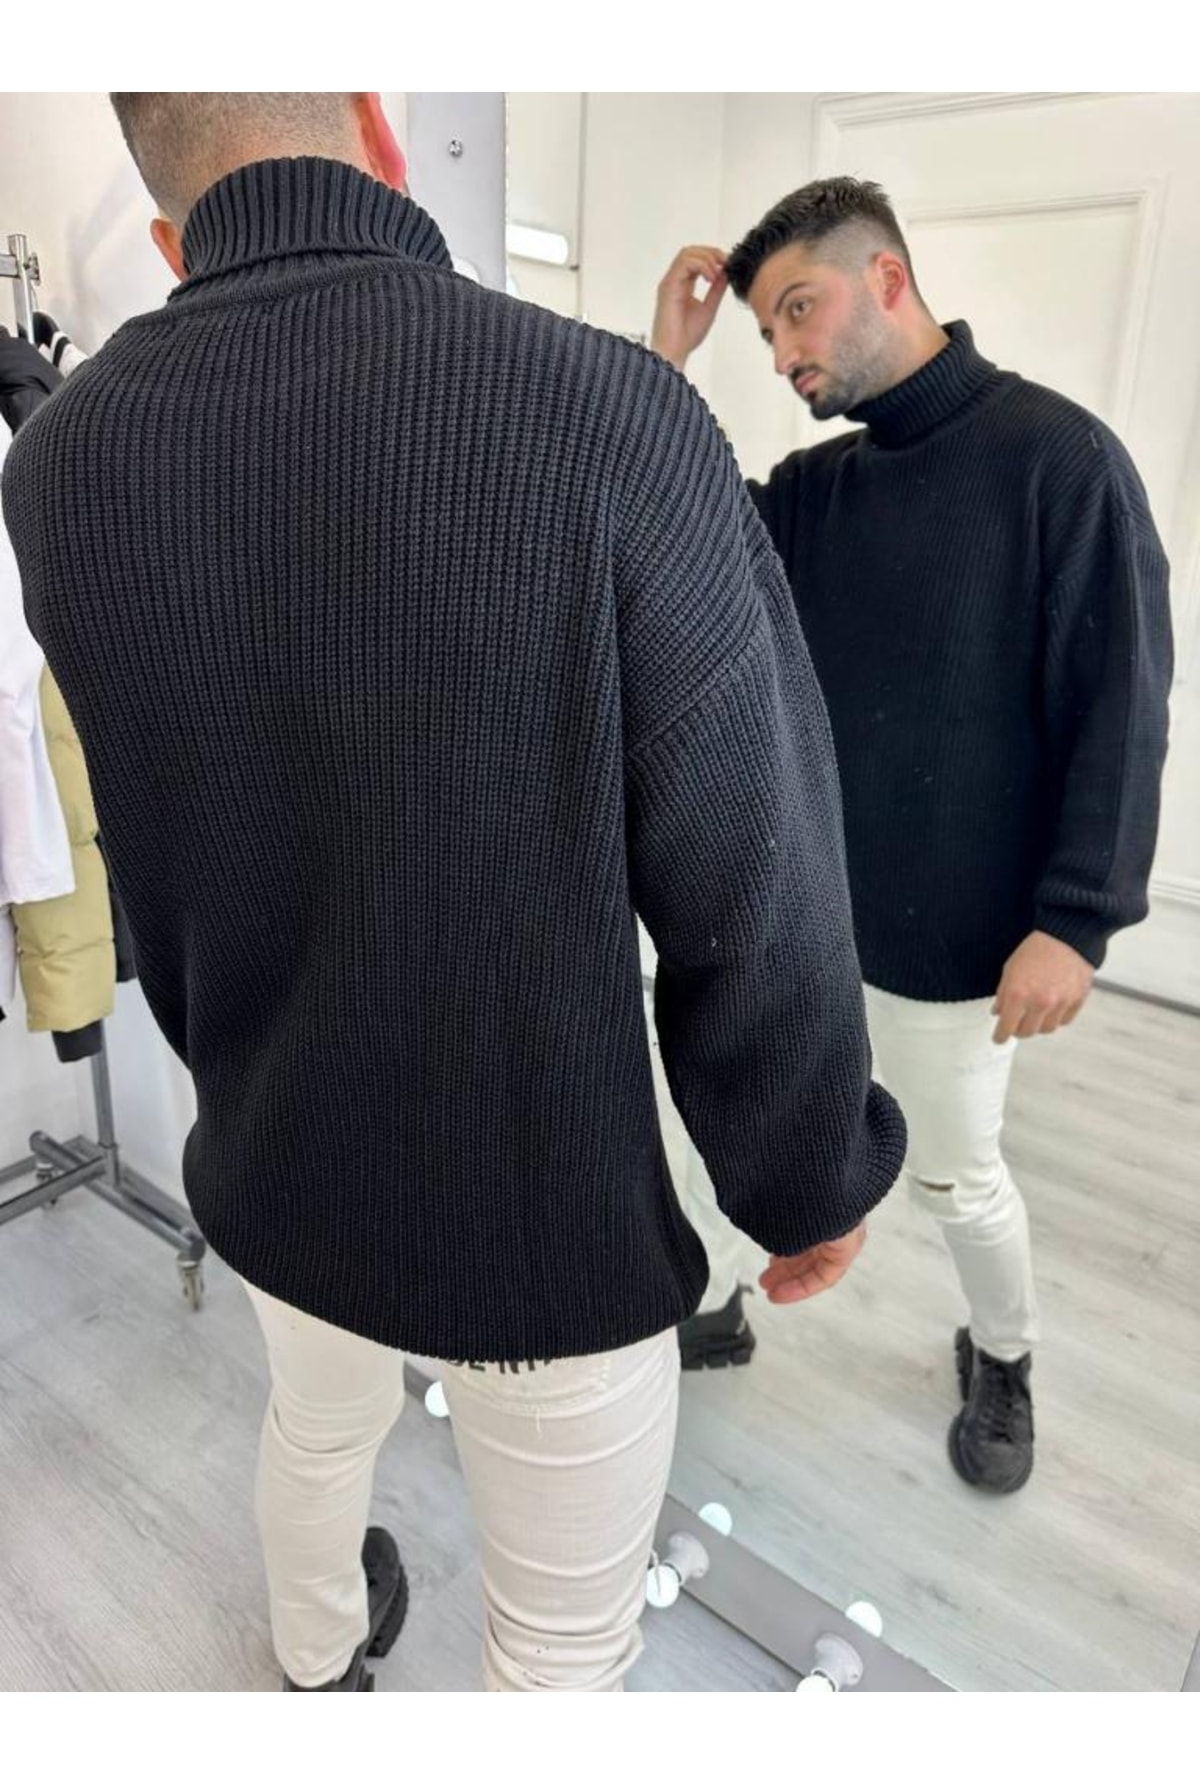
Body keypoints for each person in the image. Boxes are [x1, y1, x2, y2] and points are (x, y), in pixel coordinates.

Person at [2, 101, 905, 1692]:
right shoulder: (606, 409)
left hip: (271, 1144)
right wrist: (805, 1170)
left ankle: (313, 1658)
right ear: (379, 129)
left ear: (164, 237)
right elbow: (751, 863)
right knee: (557, 1646)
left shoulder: (60, 459)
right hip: (537, 1202)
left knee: (314, 1428)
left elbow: (157, 816)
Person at [653, 177, 1173, 1494]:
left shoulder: (1060, 462)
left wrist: (1077, 920)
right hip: (807, 918)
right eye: (767, 331)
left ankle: (1005, 1355)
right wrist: (668, 362)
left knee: (953, 1180)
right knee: (747, 1136)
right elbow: (680, 518)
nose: (784, 353)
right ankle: (721, 1300)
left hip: (957, 941)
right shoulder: (816, 491)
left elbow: (1121, 700)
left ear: (886, 278)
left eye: (798, 310)